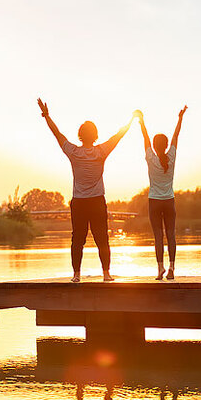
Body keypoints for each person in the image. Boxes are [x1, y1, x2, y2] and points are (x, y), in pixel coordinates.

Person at [37, 98, 134, 282]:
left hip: (80, 202)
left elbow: (57, 134)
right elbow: (118, 136)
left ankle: (76, 275)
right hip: (97, 201)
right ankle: (106, 274)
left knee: (78, 239)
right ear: (95, 135)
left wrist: (47, 116)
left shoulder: (73, 152)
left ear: (80, 135)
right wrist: (132, 120)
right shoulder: (101, 151)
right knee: (102, 238)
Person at [136, 106, 187, 280]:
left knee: (158, 236)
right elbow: (176, 136)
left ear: (154, 145)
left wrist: (141, 121)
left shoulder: (150, 157)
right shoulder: (171, 156)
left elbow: (145, 138)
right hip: (169, 201)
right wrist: (180, 118)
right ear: (166, 145)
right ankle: (172, 268)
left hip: (154, 202)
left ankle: (160, 269)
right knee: (171, 234)